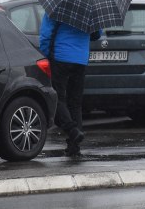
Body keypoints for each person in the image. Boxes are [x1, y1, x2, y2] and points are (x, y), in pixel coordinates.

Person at [39, 12, 100, 158]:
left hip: (60, 57)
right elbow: (96, 34)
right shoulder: (90, 10)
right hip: (80, 59)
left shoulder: (56, 8)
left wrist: (46, 55)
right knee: (75, 103)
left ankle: (72, 130)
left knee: (58, 97)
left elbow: (46, 35)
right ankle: (74, 148)